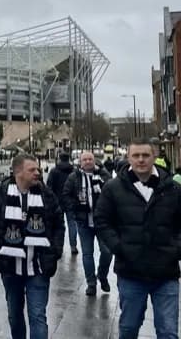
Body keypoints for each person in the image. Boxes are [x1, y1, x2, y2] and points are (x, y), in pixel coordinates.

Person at [95, 138, 181, 339]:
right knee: (129, 328)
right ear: (128, 158)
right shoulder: (113, 188)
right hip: (131, 272)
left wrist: (176, 249)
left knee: (168, 331)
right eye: (136, 155)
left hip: (166, 272)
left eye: (145, 155)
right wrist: (119, 247)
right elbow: (102, 221)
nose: (141, 160)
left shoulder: (172, 189)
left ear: (154, 157)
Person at [0, 154, 64, 339]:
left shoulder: (47, 195)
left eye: (38, 169)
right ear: (18, 172)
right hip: (10, 268)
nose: (38, 173)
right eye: (32, 169)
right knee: (15, 315)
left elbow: (59, 224)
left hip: (39, 268)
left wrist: (55, 252)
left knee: (38, 316)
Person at [60, 151, 112, 296]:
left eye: (90, 159)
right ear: (80, 162)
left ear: (94, 160)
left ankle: (102, 275)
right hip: (83, 221)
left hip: (102, 221)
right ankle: (91, 283)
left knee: (107, 251)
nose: (88, 162)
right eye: (85, 159)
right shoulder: (74, 177)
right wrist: (75, 208)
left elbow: (112, 192)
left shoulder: (103, 175)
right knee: (87, 253)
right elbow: (66, 195)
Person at [46, 151, 78, 255]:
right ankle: (73, 246)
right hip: (70, 201)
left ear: (59, 158)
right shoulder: (74, 171)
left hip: (57, 202)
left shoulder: (54, 171)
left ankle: (59, 246)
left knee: (58, 225)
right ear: (69, 159)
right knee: (72, 224)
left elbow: (49, 187)